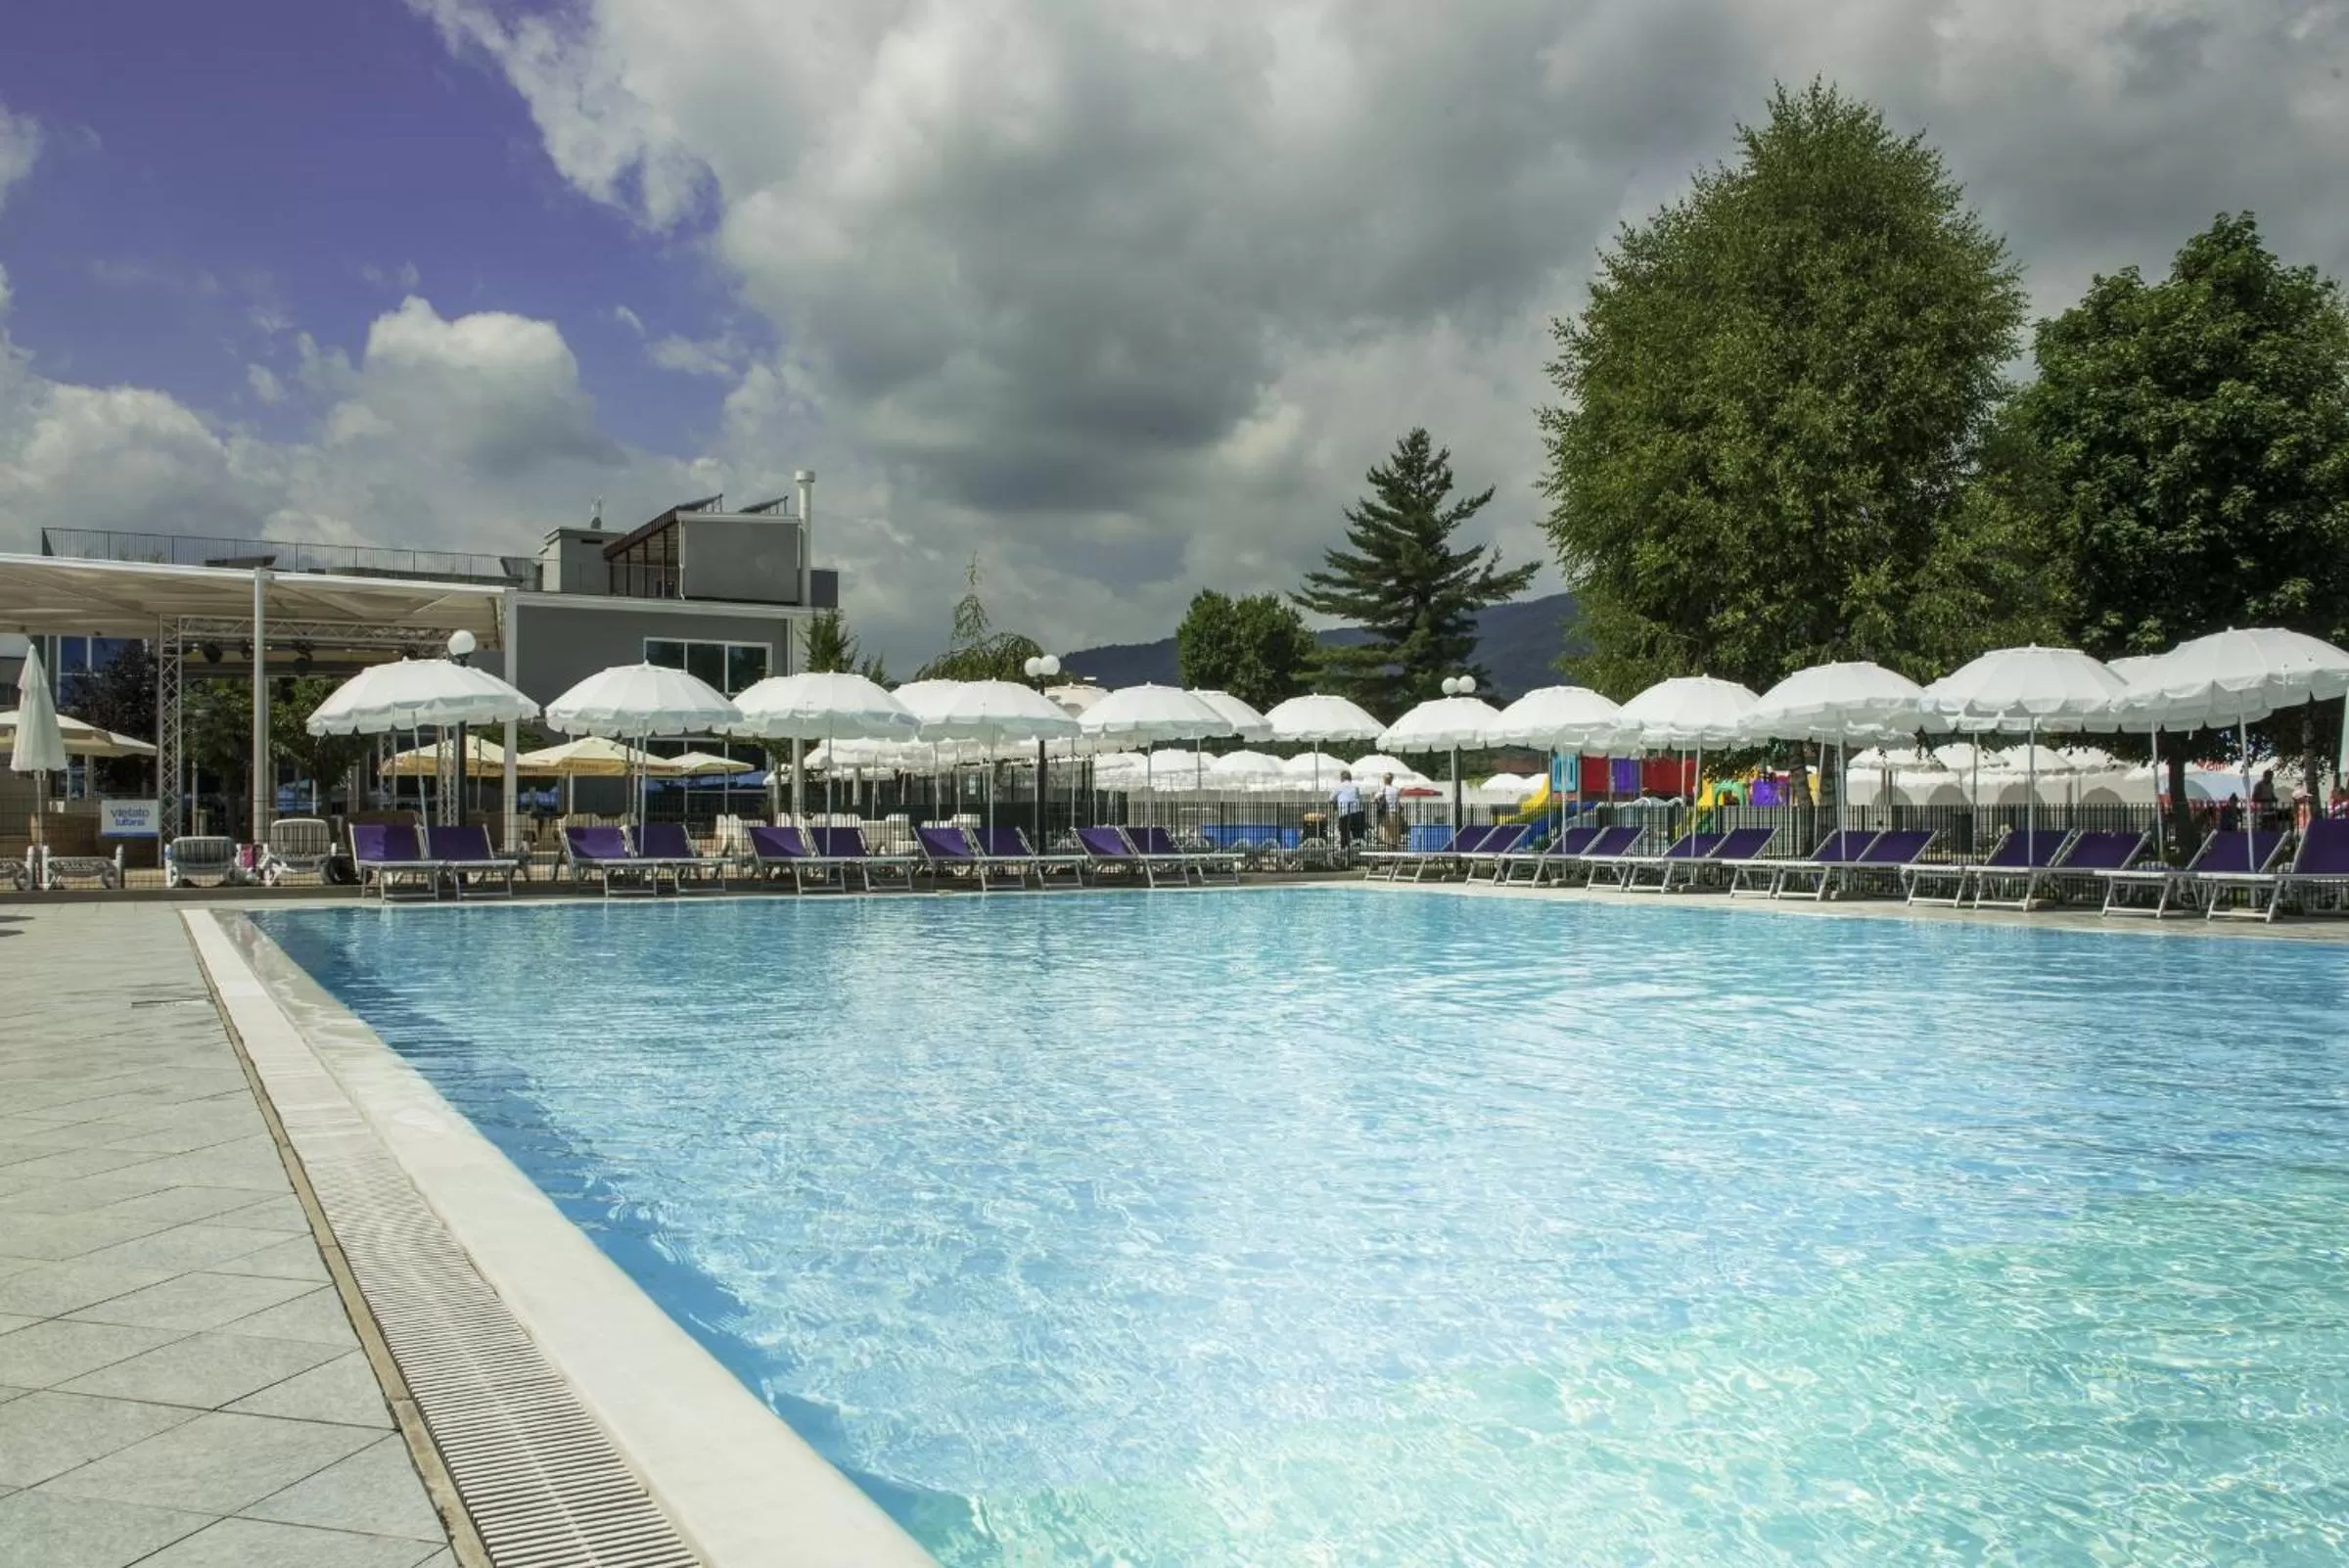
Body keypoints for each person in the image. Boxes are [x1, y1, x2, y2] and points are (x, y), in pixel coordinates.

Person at [1333, 770, 1363, 849]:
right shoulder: (1355, 787)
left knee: (1344, 833)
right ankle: (1357, 850)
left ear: (1342, 778)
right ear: (1350, 778)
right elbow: (1359, 798)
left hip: (1344, 812)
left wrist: (1335, 803)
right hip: (1357, 812)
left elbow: (1331, 798)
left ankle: (1344, 849)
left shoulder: (1339, 787)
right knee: (1357, 834)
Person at [1377, 772, 1404, 848]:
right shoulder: (1396, 789)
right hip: (1396, 813)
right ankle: (1394, 849)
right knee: (1394, 833)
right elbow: (1399, 801)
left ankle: (1388, 849)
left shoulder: (1383, 788)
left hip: (1386, 813)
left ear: (1384, 780)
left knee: (1384, 832)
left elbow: (1376, 797)